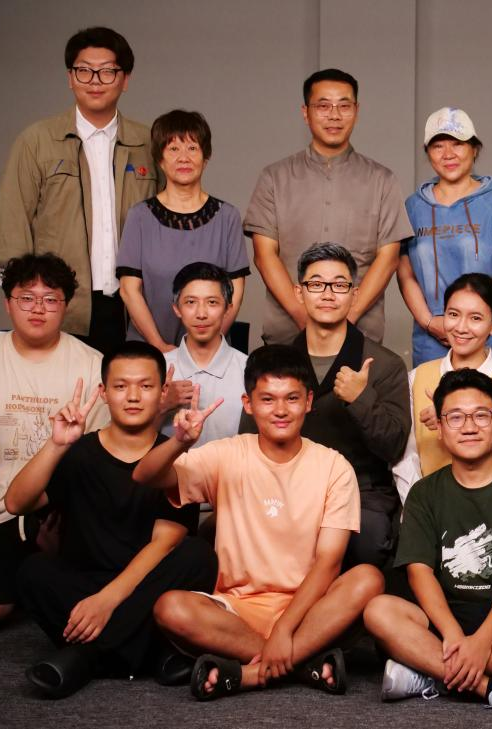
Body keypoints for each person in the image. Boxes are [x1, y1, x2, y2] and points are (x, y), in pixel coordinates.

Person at [135, 345, 384, 700]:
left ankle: (249, 673)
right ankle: (300, 664)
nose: (280, 410)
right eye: (267, 399)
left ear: (308, 402)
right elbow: (144, 476)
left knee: (368, 579)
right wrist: (179, 442)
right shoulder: (227, 453)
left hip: (309, 610)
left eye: (292, 398)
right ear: (248, 404)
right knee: (170, 607)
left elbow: (328, 562)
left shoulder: (333, 466)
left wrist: (285, 628)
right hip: (237, 609)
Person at [4, 343, 217, 698]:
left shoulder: (173, 454)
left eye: (145, 386)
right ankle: (153, 654)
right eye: (120, 386)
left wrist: (107, 601)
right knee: (32, 571)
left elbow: (165, 543)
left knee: (198, 556)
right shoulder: (79, 452)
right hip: (86, 584)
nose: (132, 396)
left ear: (163, 391)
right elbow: (15, 503)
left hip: (148, 584)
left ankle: (86, 657)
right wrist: (56, 445)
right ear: (103, 392)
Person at [364, 369, 492, 714]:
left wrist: (483, 640)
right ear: (440, 428)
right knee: (378, 611)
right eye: (455, 417)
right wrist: (454, 636)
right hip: (439, 622)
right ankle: (491, 687)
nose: (469, 427)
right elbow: (419, 572)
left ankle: (430, 674)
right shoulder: (424, 493)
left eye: (481, 416)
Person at [0, 254, 108, 634]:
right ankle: (24, 578)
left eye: (50, 298)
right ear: (8, 304)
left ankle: (35, 570)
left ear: (65, 306)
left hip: (61, 510)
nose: (38, 308)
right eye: (26, 297)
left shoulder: (93, 365)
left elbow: (105, 456)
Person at [0, 27, 158, 355]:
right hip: (61, 305)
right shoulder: (37, 141)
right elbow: (12, 223)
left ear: (125, 79)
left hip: (136, 306)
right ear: (70, 78)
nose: (95, 81)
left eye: (107, 71)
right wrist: (26, 300)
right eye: (84, 71)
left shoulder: (149, 142)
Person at [245, 68, 414, 345]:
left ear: (356, 111)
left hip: (361, 337)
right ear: (305, 112)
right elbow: (264, 255)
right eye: (323, 106)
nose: (334, 115)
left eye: (344, 106)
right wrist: (304, 319)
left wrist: (347, 320)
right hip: (287, 338)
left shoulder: (382, 180)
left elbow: (388, 258)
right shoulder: (274, 177)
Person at [290, 243, 410, 567]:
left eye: (339, 285)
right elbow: (252, 440)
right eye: (316, 284)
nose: (328, 294)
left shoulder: (385, 365)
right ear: (300, 292)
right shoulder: (279, 362)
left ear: (354, 295)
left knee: (369, 542)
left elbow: (394, 447)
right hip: (290, 488)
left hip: (361, 492)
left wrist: (360, 399)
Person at [400, 107, 492, 366]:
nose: (448, 154)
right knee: (431, 393)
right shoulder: (413, 207)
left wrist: (475, 322)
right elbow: (406, 274)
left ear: (474, 149)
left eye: (457, 144)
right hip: (433, 334)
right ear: (428, 152)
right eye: (438, 146)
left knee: (491, 394)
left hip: (489, 332)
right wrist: (429, 322)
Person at [393, 273, 492, 504]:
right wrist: (419, 508)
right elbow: (406, 458)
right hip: (423, 506)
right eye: (453, 314)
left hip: (486, 508)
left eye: (475, 318)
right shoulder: (417, 377)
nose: (461, 327)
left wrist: (451, 421)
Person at [116, 111, 249, 351]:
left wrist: (204, 346)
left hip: (210, 352)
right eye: (173, 149)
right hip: (149, 352)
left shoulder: (227, 217)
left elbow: (235, 293)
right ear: (160, 159)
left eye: (192, 148)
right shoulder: (139, 216)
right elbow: (129, 290)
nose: (183, 158)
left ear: (205, 157)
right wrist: (159, 347)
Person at [160, 263, 247, 446]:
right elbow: (131, 442)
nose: (201, 314)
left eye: (212, 302)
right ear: (177, 308)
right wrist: (161, 406)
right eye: (191, 302)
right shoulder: (159, 369)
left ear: (228, 309)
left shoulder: (248, 370)